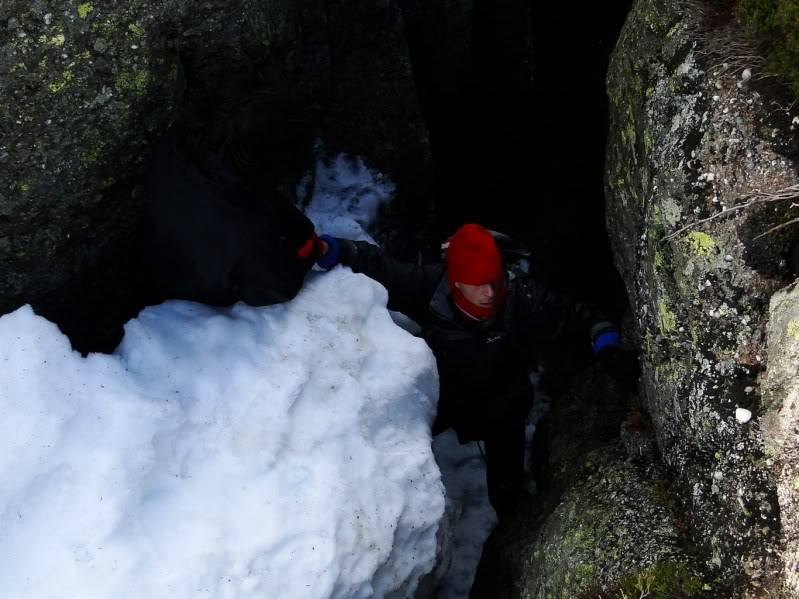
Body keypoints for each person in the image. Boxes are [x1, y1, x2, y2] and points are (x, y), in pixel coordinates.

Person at [315, 223, 636, 520]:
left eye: (494, 281)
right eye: (479, 284)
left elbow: (579, 315)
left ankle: (512, 535)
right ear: (456, 282)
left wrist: (605, 343)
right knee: (397, 442)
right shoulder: (430, 288)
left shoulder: (518, 297)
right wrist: (339, 250)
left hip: (504, 406)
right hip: (447, 395)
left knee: (507, 494)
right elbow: (383, 268)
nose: (490, 293)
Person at [139, 80, 323, 307]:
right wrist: (316, 249)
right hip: (186, 294)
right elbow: (278, 286)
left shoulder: (181, 140)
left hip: (159, 245)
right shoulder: (248, 244)